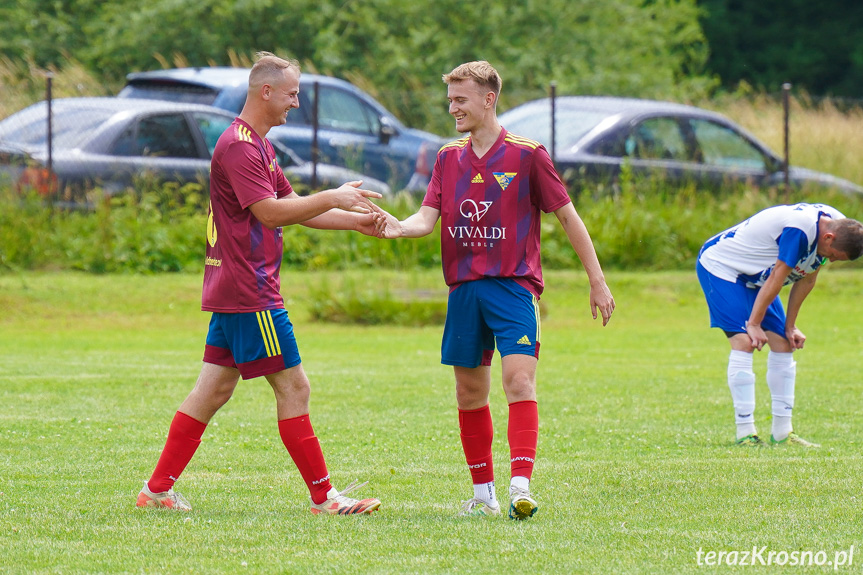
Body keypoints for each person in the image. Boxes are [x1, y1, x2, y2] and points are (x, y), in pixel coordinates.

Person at [136, 52, 386, 515]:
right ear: (265, 91)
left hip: (234, 289)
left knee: (212, 390)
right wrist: (334, 194)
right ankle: (324, 498)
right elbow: (270, 213)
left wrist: (354, 221)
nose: (296, 103)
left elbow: (291, 206)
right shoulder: (241, 146)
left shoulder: (257, 144)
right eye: (292, 94)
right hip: (251, 292)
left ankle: (155, 492)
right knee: (294, 387)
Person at [378, 61, 615, 519]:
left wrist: (597, 281)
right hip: (464, 290)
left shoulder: (528, 155)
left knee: (520, 380)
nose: (453, 109)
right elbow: (426, 219)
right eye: (450, 100)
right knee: (469, 394)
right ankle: (483, 496)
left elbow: (569, 217)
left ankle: (520, 486)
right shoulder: (448, 158)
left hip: (513, 288)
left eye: (460, 100)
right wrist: (396, 227)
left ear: (488, 99)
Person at [696, 203, 863, 447]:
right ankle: (745, 433)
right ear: (829, 237)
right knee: (744, 341)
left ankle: (783, 433)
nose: (831, 260)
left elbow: (808, 278)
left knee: (785, 343)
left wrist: (790, 326)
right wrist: (753, 324)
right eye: (833, 255)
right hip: (723, 266)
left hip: (758, 276)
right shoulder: (800, 230)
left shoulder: (838, 226)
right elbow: (778, 275)